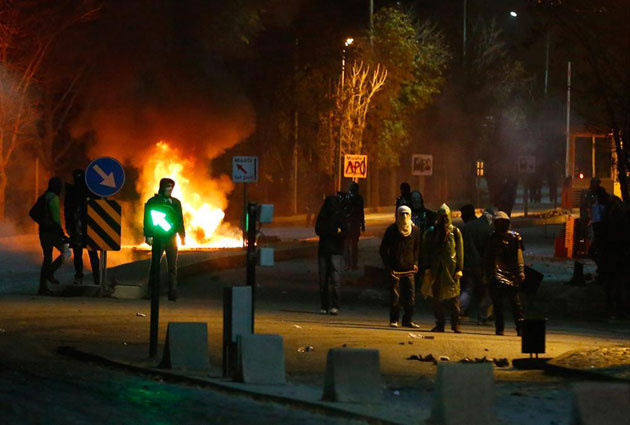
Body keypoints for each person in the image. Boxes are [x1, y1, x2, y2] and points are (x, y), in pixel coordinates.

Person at [423, 204, 464, 333]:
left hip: (451, 271)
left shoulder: (455, 232)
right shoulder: (431, 232)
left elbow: (459, 251)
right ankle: (440, 323)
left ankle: (455, 324)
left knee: (454, 298)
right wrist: (427, 267)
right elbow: (426, 251)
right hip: (437, 270)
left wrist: (459, 268)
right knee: (437, 299)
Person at [143, 178, 185, 301]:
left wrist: (182, 236)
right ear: (162, 187)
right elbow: (147, 220)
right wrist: (148, 235)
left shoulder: (176, 203)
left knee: (173, 267)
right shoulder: (153, 201)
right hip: (158, 238)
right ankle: (151, 291)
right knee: (155, 265)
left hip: (172, 238)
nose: (169, 189)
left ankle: (172, 292)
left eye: (171, 187)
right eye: (167, 187)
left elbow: (179, 220)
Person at [484, 211, 525, 336]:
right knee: (506, 304)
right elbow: (488, 258)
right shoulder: (494, 238)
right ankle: (507, 328)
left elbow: (519, 256)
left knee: (512, 304)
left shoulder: (512, 237)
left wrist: (521, 271)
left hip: (506, 274)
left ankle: (514, 328)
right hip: (500, 274)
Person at [380, 205, 421, 328]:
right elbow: (383, 249)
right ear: (397, 215)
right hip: (395, 270)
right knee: (395, 297)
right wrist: (388, 266)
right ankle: (394, 319)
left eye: (407, 214)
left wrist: (416, 263)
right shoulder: (392, 230)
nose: (404, 216)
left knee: (410, 297)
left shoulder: (415, 231)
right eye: (402, 214)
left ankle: (408, 320)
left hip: (409, 269)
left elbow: (417, 248)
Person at [31, 177, 68, 295]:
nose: (60, 189)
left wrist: (42, 222)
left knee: (47, 258)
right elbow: (56, 218)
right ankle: (50, 272)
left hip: (43, 232)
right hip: (53, 232)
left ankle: (43, 287)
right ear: (56, 187)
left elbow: (32, 213)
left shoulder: (43, 197)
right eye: (59, 186)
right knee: (66, 252)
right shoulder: (54, 198)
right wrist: (62, 233)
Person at [64, 169, 100, 286]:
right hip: (82, 228)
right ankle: (94, 277)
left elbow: (67, 211)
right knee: (88, 254)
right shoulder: (87, 191)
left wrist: (69, 226)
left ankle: (89, 277)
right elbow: (68, 211)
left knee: (85, 254)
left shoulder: (73, 192)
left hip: (82, 228)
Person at [460, 207, 494, 324]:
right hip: (479, 265)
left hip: (467, 264)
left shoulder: (468, 226)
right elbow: (487, 250)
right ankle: (483, 315)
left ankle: (458, 310)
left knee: (468, 289)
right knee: (485, 291)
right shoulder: (487, 229)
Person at [315, 195, 344, 315]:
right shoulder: (323, 216)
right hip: (326, 251)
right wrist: (334, 231)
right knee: (325, 280)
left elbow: (345, 232)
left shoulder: (338, 216)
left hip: (334, 251)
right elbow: (318, 230)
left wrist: (330, 232)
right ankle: (326, 306)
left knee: (334, 280)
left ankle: (333, 305)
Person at [342, 181, 365, 270]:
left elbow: (342, 212)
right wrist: (362, 224)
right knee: (354, 245)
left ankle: (347, 264)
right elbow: (361, 213)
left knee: (346, 245)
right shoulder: (359, 198)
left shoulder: (345, 198)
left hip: (347, 224)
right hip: (355, 224)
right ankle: (353, 264)